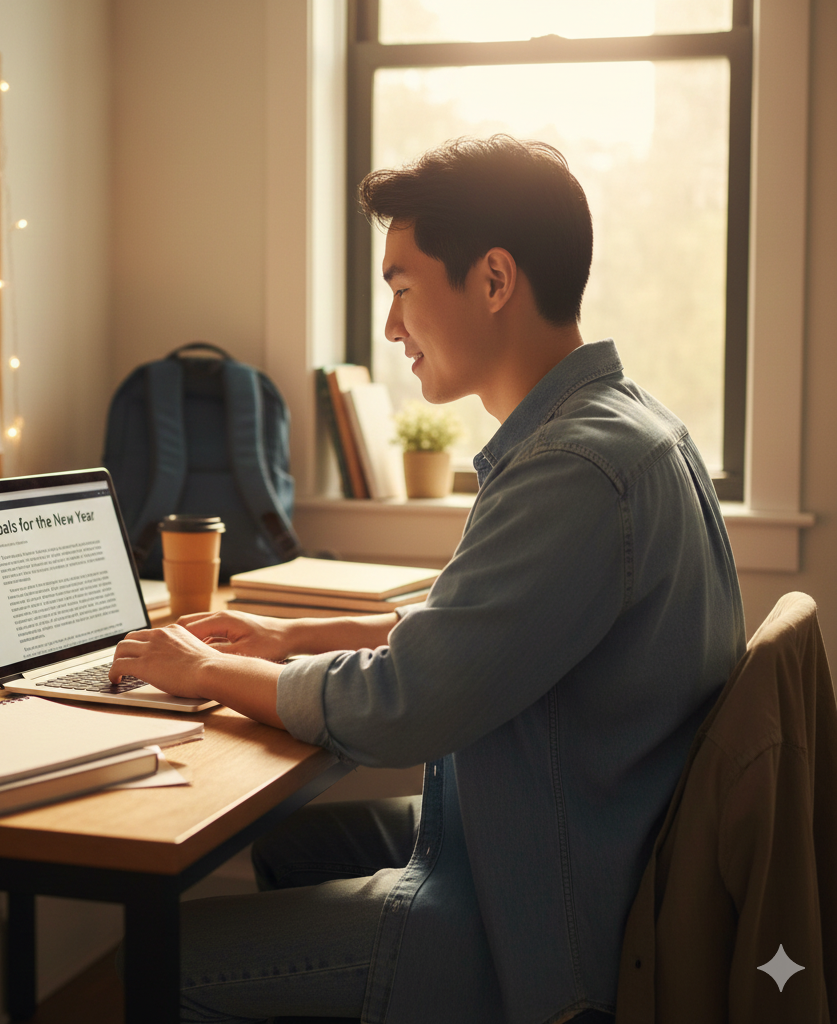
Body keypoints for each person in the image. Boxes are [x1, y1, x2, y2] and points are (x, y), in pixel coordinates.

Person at [110, 135, 746, 1024]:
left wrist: (206, 672)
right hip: (567, 832)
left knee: (144, 966)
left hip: (541, 920)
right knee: (297, 847)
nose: (390, 328)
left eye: (402, 289)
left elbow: (407, 705)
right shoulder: (624, 428)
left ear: (493, 280)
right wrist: (291, 638)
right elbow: (470, 633)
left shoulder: (574, 470)